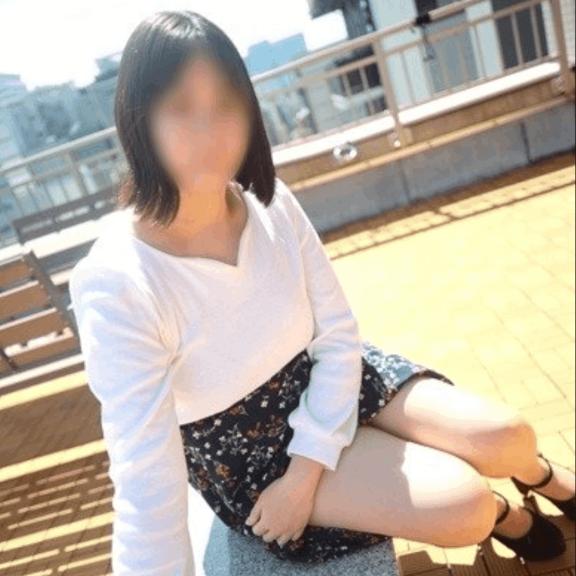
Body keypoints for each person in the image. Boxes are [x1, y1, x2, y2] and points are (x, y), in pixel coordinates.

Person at [69, 10, 576, 576]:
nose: (211, 129)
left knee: (508, 437)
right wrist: (295, 480)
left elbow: (336, 333)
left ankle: (541, 475)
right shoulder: (118, 279)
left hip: (333, 377)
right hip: (252, 452)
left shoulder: (268, 201)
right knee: (463, 504)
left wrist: (310, 466)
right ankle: (504, 515)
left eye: (226, 104)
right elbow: (144, 477)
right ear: (140, 120)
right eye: (182, 108)